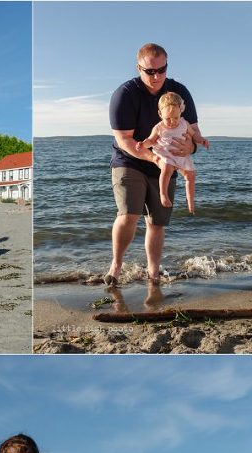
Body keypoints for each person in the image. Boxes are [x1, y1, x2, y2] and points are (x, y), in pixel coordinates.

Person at [106, 43, 202, 288]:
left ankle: (153, 272)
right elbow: (125, 140)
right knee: (129, 214)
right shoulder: (125, 94)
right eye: (150, 71)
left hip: (167, 164)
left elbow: (193, 131)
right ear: (139, 68)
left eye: (162, 69)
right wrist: (155, 158)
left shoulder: (179, 92)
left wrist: (191, 148)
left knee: (157, 222)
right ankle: (116, 266)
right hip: (131, 160)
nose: (157, 76)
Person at [136, 92, 209, 214]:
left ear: (180, 112)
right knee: (167, 169)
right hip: (166, 153)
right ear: (160, 114)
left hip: (181, 154)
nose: (172, 121)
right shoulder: (159, 127)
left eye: (175, 117)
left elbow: (194, 135)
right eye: (168, 118)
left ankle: (190, 203)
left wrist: (201, 140)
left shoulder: (184, 123)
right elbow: (151, 140)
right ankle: (163, 194)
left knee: (191, 175)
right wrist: (143, 144)